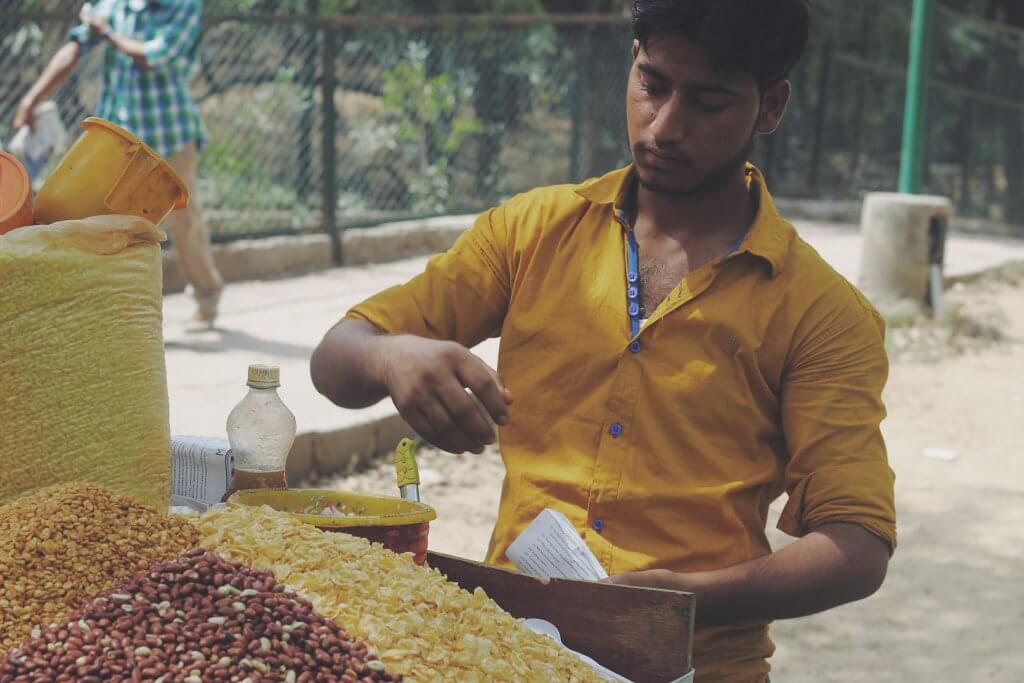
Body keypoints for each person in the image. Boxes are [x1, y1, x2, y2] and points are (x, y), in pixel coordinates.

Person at [310, 1, 895, 681]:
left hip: (699, 665)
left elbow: (857, 543)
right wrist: (391, 356)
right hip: (509, 650)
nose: (667, 126)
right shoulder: (531, 232)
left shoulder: (821, 310)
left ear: (771, 107)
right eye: (653, 84)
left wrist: (681, 600)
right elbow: (336, 358)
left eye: (707, 102)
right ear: (632, 61)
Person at [14, 0, 223, 326]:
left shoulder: (183, 7)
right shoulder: (114, 4)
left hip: (170, 132)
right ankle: (109, 307)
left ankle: (206, 297)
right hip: (118, 137)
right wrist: (32, 99)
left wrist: (107, 32)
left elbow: (153, 57)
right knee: (102, 220)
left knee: (184, 219)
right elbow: (74, 48)